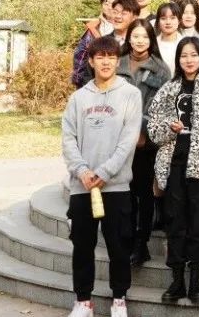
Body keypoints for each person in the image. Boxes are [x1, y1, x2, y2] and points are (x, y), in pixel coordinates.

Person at [61, 37, 142, 317]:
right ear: (91, 61)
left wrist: (105, 172)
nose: (106, 62)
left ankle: (119, 299)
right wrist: (82, 171)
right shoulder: (78, 98)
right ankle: (83, 301)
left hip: (115, 186)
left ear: (118, 61)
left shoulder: (130, 94)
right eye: (100, 57)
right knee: (82, 246)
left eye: (111, 57)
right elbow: (68, 140)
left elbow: (128, 140)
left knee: (119, 246)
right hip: (82, 186)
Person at [146, 37, 199, 305]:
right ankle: (177, 280)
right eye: (184, 55)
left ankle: (195, 281)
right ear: (178, 59)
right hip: (173, 164)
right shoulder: (169, 88)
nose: (189, 60)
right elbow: (153, 128)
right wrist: (169, 129)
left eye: (194, 55)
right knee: (175, 221)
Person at [116, 19, 171, 268]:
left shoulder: (160, 69)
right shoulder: (117, 62)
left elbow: (159, 106)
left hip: (143, 143)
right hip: (117, 139)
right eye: (135, 36)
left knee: (143, 193)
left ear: (151, 40)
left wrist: (142, 133)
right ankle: (126, 238)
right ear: (128, 37)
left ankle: (141, 243)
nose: (140, 41)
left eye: (145, 37)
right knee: (123, 193)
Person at [72, 0, 123, 88]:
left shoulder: (126, 28)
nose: (109, 7)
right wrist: (78, 82)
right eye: (106, 3)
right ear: (101, 5)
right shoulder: (93, 28)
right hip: (93, 81)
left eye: (113, 4)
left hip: (119, 82)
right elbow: (80, 56)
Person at [154, 2, 183, 77]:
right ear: (158, 22)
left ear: (179, 21)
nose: (168, 22)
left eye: (172, 18)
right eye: (163, 18)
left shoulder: (186, 44)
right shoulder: (152, 44)